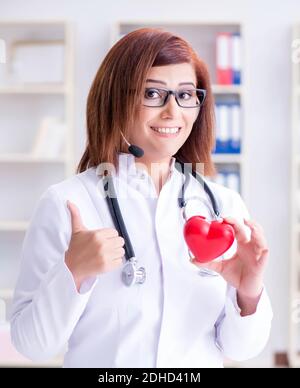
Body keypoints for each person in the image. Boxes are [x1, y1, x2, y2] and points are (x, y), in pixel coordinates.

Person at [10, 28, 272, 368]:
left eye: (186, 95)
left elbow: (241, 350)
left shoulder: (223, 206)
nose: (172, 111)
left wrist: (248, 292)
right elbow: (32, 346)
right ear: (116, 100)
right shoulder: (68, 202)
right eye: (152, 93)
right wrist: (72, 272)